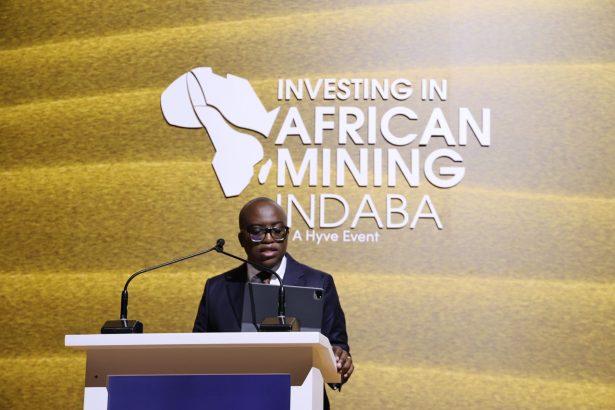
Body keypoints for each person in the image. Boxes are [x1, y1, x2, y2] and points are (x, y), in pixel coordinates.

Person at [193, 197, 353, 405]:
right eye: (257, 231)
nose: (269, 239)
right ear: (242, 239)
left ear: (287, 234)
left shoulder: (319, 282)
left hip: (301, 402)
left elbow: (337, 348)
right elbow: (198, 356)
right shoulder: (217, 288)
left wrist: (339, 362)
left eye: (277, 231)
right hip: (235, 400)